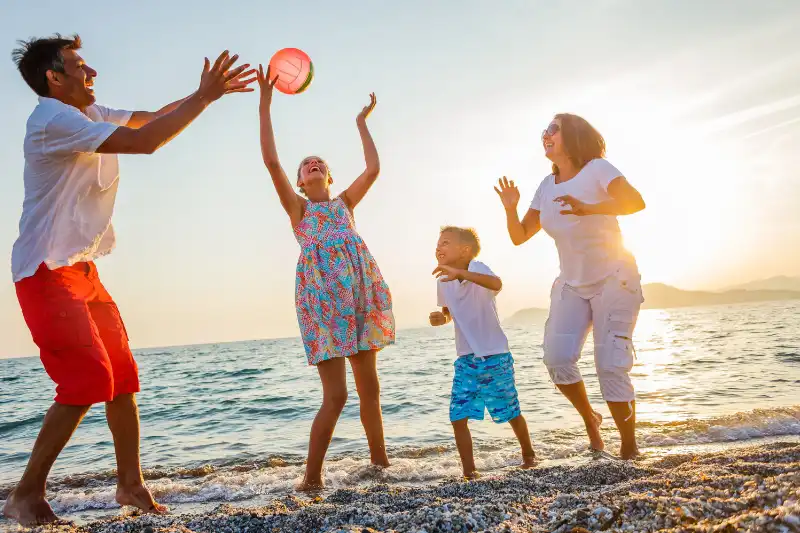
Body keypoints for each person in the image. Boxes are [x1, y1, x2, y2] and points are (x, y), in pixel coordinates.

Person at [3, 34, 255, 527]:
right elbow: (145, 143)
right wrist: (203, 99)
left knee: (121, 375)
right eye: (78, 65)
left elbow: (149, 118)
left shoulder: (88, 114)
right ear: (54, 78)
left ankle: (130, 485)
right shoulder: (52, 121)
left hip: (81, 269)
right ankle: (25, 495)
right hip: (44, 273)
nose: (90, 71)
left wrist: (207, 90)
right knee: (88, 378)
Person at [256, 65, 395, 490]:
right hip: (322, 304)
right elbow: (271, 160)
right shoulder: (299, 210)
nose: (312, 166)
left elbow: (373, 167)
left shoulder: (345, 204)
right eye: (306, 166)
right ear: (300, 181)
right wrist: (266, 101)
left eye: (320, 164)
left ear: (329, 177)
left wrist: (360, 122)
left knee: (369, 388)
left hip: (359, 296)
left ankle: (380, 466)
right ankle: (310, 478)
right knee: (337, 396)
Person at [494, 113, 646, 459]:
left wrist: (589, 208)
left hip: (615, 277)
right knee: (557, 359)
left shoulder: (598, 169)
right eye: (544, 130)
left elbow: (635, 202)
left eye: (553, 129)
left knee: (610, 364)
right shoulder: (546, 186)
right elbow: (519, 236)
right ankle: (592, 421)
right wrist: (510, 208)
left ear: (572, 136)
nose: (545, 134)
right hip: (572, 284)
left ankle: (629, 447)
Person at [429, 226, 536, 478]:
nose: (438, 248)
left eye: (445, 242)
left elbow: (496, 283)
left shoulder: (478, 268)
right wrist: (440, 318)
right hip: (466, 357)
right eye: (438, 243)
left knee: (510, 410)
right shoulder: (442, 281)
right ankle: (469, 471)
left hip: (495, 354)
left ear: (465, 250)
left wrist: (460, 273)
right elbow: (449, 312)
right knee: (458, 415)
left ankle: (529, 455)